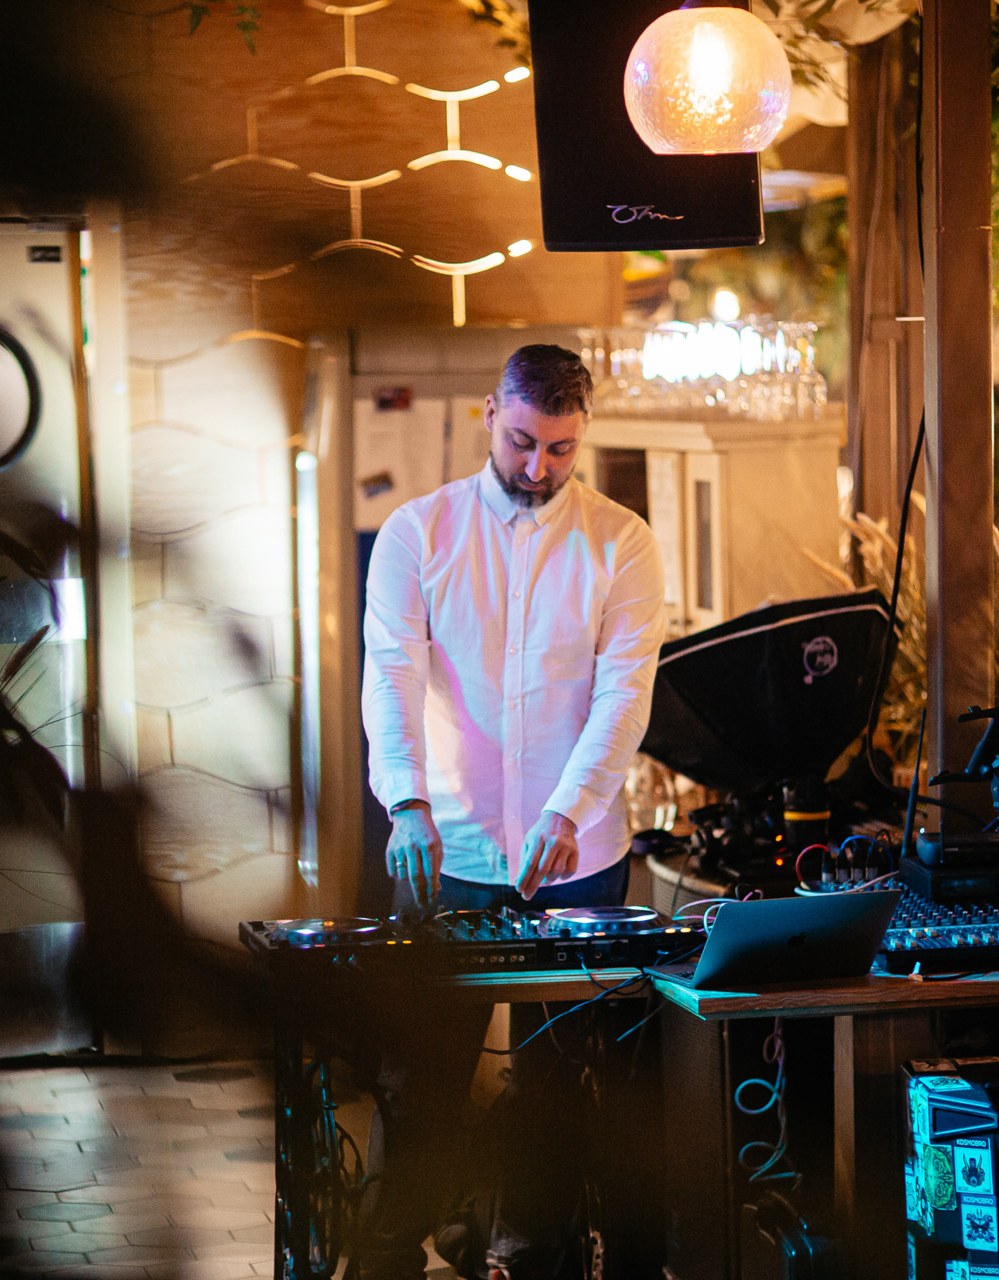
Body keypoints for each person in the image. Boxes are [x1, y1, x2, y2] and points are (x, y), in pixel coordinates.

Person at [357, 343, 667, 1279]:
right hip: (444, 848)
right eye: (524, 442)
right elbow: (392, 674)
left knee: (556, 1083)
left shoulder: (622, 542)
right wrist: (407, 801)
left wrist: (570, 811)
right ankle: (387, 1256)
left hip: (579, 859)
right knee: (420, 1079)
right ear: (491, 414)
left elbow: (624, 697)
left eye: (561, 449)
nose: (539, 467)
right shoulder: (418, 532)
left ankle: (533, 1260)